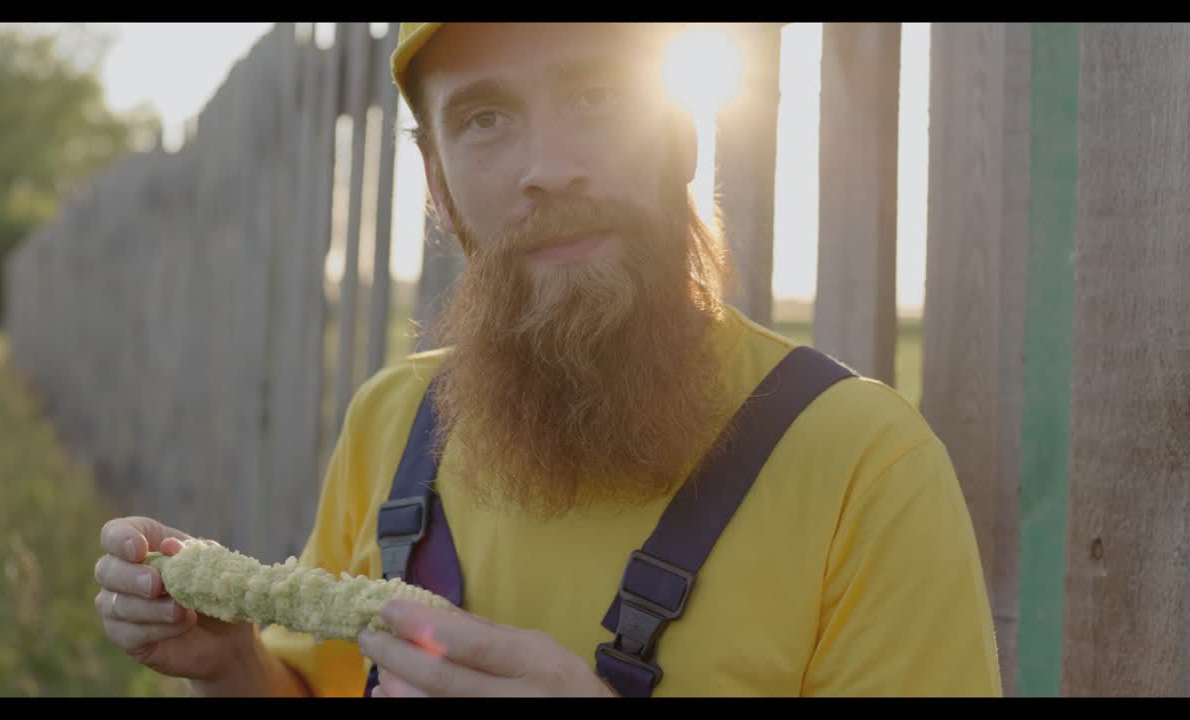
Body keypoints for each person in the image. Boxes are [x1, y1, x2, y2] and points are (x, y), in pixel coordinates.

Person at [93, 22, 1003, 697]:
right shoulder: (396, 420)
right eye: (485, 118)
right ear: (439, 185)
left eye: (598, 97)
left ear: (681, 134)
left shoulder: (864, 464)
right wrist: (234, 666)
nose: (549, 167)